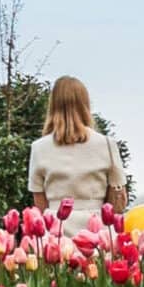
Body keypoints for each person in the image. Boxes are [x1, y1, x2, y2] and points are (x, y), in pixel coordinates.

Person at [27, 74, 129, 222]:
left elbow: (39, 202)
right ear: (85, 104)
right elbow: (118, 197)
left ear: (53, 105)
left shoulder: (38, 148)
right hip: (96, 228)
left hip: (56, 230)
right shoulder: (107, 144)